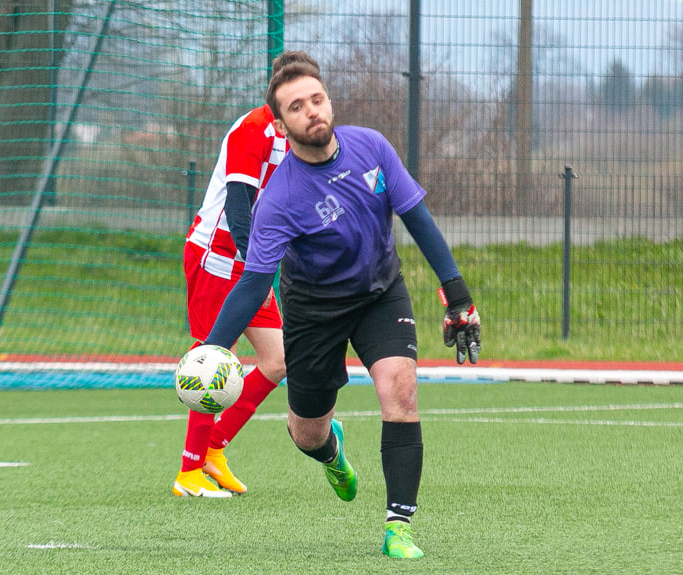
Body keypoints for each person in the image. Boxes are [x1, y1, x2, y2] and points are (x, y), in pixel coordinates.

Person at [202, 54, 481, 558]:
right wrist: (212, 350)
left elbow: (418, 218)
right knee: (306, 431)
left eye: (316, 99)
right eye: (296, 107)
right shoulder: (279, 199)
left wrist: (457, 296)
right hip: (313, 312)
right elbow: (253, 284)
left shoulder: (371, 147)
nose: (311, 110)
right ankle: (332, 453)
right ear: (283, 125)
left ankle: (399, 527)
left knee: (401, 391)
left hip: (379, 294)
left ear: (328, 101)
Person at [173, 52, 321, 499]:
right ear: (278, 102)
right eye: (296, 98)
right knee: (212, 358)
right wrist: (257, 264)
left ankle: (215, 448)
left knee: (279, 360)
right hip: (216, 259)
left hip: (249, 267)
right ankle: (189, 471)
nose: (309, 107)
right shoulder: (252, 130)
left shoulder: (302, 141)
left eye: (314, 95)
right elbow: (239, 210)